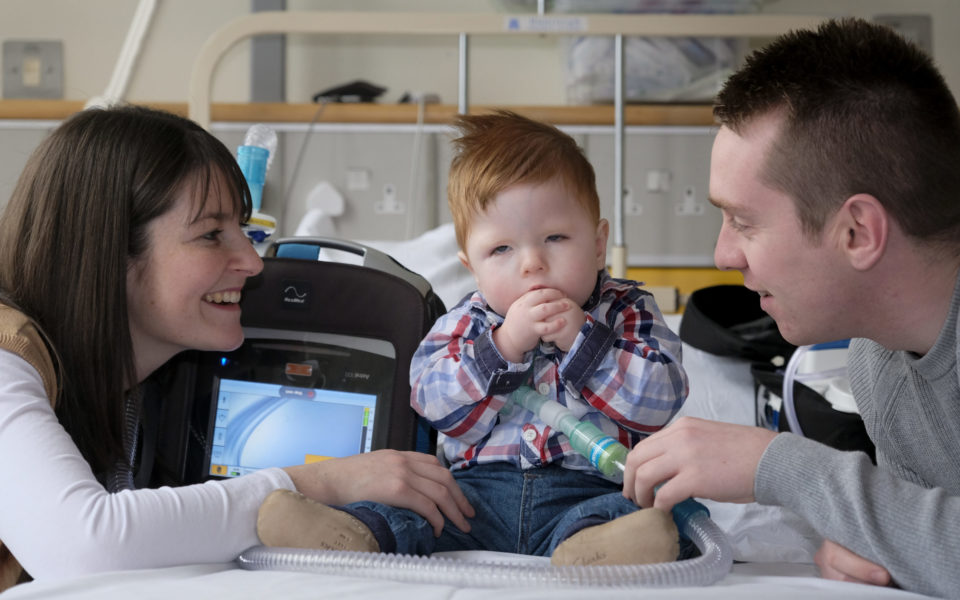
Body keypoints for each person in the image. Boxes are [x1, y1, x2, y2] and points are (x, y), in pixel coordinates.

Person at [0, 105, 472, 592]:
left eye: (244, 232)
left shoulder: (129, 394)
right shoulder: (5, 357)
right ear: (107, 250)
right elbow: (86, 544)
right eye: (210, 235)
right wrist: (322, 482)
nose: (251, 261)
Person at [621, 18, 960, 598]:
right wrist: (873, 539)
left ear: (856, 232)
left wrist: (777, 466)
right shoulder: (878, 361)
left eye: (744, 222)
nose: (723, 255)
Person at [259, 110, 688, 565]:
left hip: (589, 489)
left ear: (598, 244)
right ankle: (358, 531)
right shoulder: (467, 323)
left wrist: (583, 339)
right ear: (472, 267)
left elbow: (658, 403)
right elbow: (434, 405)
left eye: (556, 237)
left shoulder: (626, 311)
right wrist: (501, 348)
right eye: (501, 249)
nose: (531, 264)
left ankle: (592, 551)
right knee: (417, 510)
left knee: (629, 512)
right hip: (474, 499)